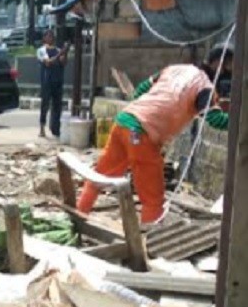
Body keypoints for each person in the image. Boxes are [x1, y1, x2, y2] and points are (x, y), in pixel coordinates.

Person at [77, 51, 231, 226]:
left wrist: (145, 108)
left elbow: (141, 89)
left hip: (124, 121)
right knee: (153, 198)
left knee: (99, 176)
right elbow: (216, 120)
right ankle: (149, 236)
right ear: (219, 66)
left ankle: (78, 215)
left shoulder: (175, 69)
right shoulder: (204, 88)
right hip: (142, 133)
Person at [37, 30, 69, 138]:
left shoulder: (58, 50)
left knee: (57, 106)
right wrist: (60, 53)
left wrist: (65, 52)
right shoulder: (41, 50)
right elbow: (48, 62)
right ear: (44, 38)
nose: (50, 38)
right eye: (48, 36)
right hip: (47, 81)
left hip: (58, 81)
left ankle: (56, 129)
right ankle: (42, 128)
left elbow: (63, 62)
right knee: (45, 105)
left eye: (51, 36)